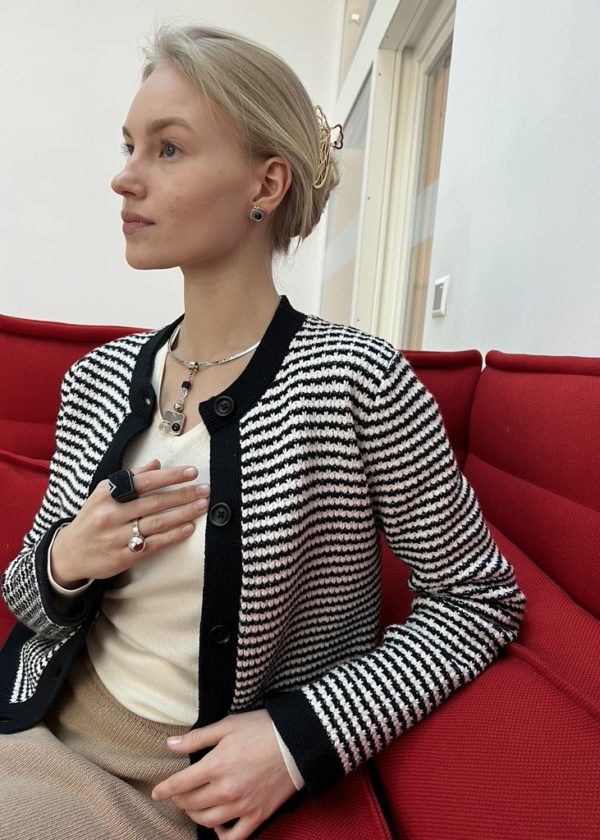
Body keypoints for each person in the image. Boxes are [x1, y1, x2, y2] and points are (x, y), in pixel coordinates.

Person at [0, 24, 525, 840]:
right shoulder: (98, 379)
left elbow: (478, 600)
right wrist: (67, 559)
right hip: (32, 720)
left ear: (266, 182)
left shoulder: (355, 381)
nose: (123, 177)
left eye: (167, 149)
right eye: (129, 146)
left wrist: (297, 738)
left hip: (167, 788)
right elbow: (27, 596)